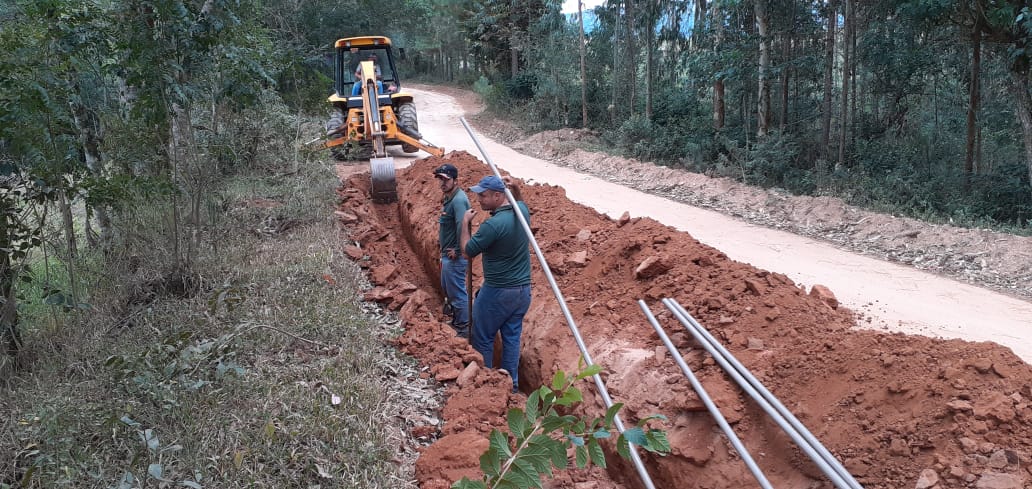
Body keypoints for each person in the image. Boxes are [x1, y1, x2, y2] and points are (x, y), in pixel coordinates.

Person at [461, 174, 531, 393]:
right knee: (511, 339)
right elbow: (519, 202)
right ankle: (511, 386)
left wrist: (464, 223)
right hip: (522, 292)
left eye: (483, 195)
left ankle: (488, 386)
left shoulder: (492, 225)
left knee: (483, 337)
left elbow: (467, 251)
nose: (479, 199)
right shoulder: (523, 213)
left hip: (498, 292)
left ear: (499, 195)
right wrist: (517, 188)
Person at [434, 163, 471, 338]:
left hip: (454, 257)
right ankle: (457, 322)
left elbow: (461, 225)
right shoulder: (450, 198)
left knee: (457, 293)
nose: (442, 183)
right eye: (440, 179)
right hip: (447, 255)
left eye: (446, 179)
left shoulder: (458, 200)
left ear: (455, 180)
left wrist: (457, 249)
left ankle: (463, 330)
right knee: (450, 290)